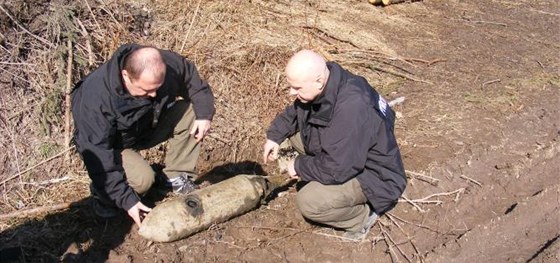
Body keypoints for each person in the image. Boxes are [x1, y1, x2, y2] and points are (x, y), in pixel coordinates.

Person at [263, 50, 406, 240]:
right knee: (294, 135)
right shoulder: (326, 83)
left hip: (375, 175)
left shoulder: (351, 107)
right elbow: (295, 112)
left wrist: (298, 166)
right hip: (347, 153)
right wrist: (274, 137)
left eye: (296, 88)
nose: (291, 93)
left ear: (319, 81)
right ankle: (319, 177)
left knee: (309, 202)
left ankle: (360, 220)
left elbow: (338, 168)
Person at [71, 44, 215, 227]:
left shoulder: (166, 64)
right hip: (113, 146)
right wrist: (127, 200)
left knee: (195, 112)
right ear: (125, 76)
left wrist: (204, 114)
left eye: (157, 88)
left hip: (146, 127)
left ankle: (176, 176)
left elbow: (195, 84)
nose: (153, 94)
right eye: (146, 90)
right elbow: (97, 152)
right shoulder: (95, 97)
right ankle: (103, 195)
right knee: (143, 180)